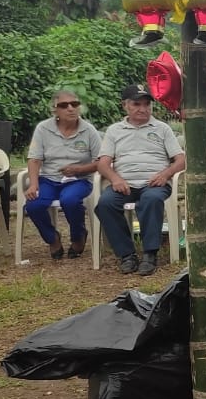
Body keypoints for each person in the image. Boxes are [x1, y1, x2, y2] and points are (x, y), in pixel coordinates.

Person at [94, 84, 187, 276]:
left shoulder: (162, 128)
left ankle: (150, 254)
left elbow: (181, 160)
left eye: (147, 104)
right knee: (105, 204)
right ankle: (126, 255)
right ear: (125, 105)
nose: (143, 109)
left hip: (154, 183)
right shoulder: (114, 131)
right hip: (124, 183)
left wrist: (165, 174)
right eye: (137, 104)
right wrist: (115, 178)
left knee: (151, 199)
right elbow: (103, 164)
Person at [23, 90, 101, 260]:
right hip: (49, 179)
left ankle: (78, 236)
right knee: (33, 205)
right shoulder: (43, 128)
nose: (70, 108)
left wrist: (79, 169)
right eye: (64, 105)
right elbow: (34, 159)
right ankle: (52, 238)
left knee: (70, 200)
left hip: (79, 180)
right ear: (55, 110)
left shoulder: (89, 131)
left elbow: (101, 162)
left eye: (75, 104)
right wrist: (34, 184)